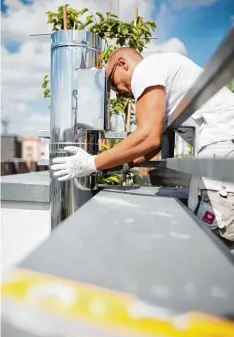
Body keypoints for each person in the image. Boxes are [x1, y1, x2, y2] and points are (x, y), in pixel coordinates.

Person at [51, 47, 234, 244]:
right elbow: (152, 147)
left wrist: (90, 163)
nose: (118, 94)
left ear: (122, 63)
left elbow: (148, 137)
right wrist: (122, 165)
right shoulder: (163, 80)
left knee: (215, 238)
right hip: (220, 147)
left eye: (112, 83)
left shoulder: (146, 69)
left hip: (223, 145)